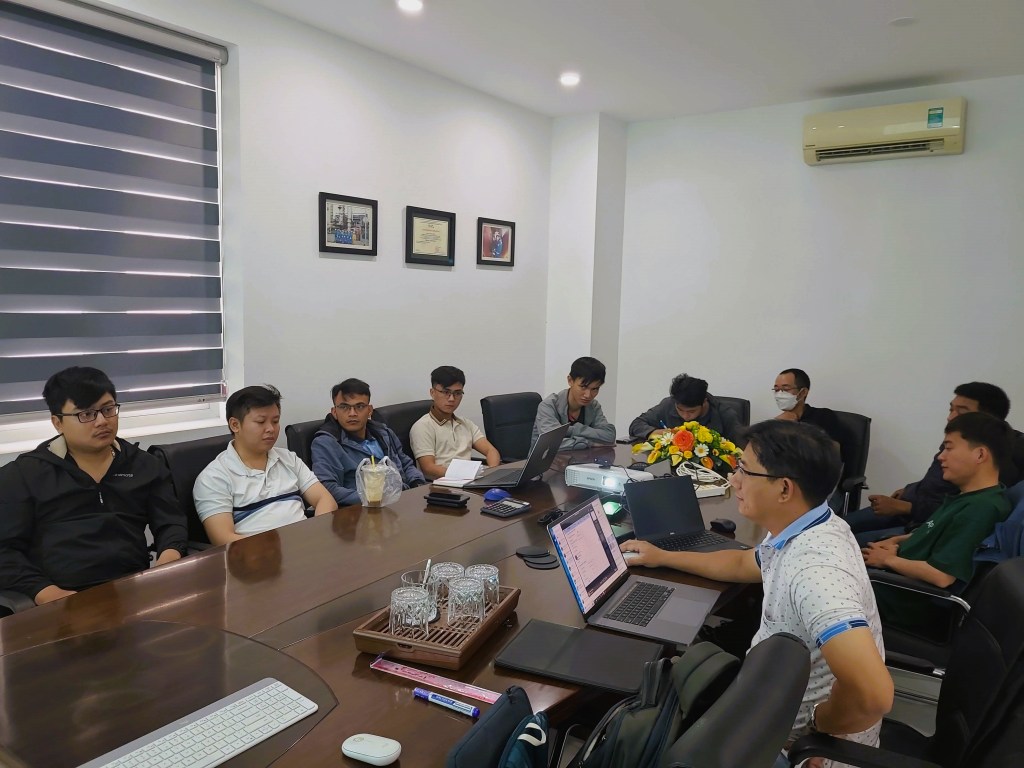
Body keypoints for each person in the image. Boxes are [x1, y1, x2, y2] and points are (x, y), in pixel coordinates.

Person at [620, 420, 892, 761]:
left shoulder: (815, 571)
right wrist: (662, 556)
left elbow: (873, 696)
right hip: (769, 705)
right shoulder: (809, 523)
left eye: (745, 471)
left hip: (798, 749)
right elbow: (743, 563)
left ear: (784, 489)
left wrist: (818, 725)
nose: (734, 480)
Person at [0, 367, 187, 605]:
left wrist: (168, 561)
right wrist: (47, 593)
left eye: (108, 410)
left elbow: (171, 522)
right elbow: (5, 551)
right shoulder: (23, 475)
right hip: (62, 597)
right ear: (57, 423)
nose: (102, 421)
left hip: (134, 591)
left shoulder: (144, 464)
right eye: (86, 414)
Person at [862, 412, 1011, 632]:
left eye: (949, 448)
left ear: (980, 454)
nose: (941, 456)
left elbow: (942, 576)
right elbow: (934, 531)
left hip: (900, 602)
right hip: (890, 581)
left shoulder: (981, 509)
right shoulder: (968, 497)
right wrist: (897, 541)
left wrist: (888, 560)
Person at [848, 382, 1023, 545]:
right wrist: (910, 489)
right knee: (839, 526)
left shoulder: (997, 462)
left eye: (961, 412)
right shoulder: (959, 438)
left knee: (847, 544)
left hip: (924, 523)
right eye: (951, 409)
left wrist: (906, 508)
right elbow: (939, 483)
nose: (950, 417)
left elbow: (956, 509)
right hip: (912, 506)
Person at [194, 385, 336, 546]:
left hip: (307, 546)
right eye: (261, 422)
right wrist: (277, 550)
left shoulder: (289, 459)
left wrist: (317, 532)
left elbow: (325, 499)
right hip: (256, 556)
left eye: (275, 421)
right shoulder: (214, 477)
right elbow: (222, 539)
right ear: (235, 425)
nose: (271, 429)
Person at [311, 378, 426, 506]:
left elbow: (406, 464)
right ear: (334, 412)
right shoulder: (326, 443)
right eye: (344, 407)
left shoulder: (384, 433)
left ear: (370, 410)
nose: (352, 413)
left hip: (403, 501)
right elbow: (328, 489)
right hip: (362, 509)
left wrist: (417, 483)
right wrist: (375, 498)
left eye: (359, 406)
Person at [409, 366, 500, 480]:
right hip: (442, 484)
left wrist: (491, 473)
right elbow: (428, 467)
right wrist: (465, 475)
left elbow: (491, 451)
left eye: (457, 393)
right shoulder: (422, 427)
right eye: (446, 392)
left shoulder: (466, 424)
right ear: (432, 393)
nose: (452, 399)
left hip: (470, 481)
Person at [628, 373, 742, 443]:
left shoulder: (725, 415)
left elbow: (741, 451)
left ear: (704, 402)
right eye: (680, 410)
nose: (685, 416)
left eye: (692, 411)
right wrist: (654, 432)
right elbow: (636, 424)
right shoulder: (668, 404)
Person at [533, 356, 616, 451]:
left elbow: (609, 435)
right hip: (548, 460)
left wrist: (571, 430)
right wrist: (589, 443)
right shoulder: (548, 406)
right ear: (570, 380)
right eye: (583, 387)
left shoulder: (593, 406)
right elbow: (551, 443)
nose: (588, 395)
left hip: (581, 458)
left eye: (595, 389)